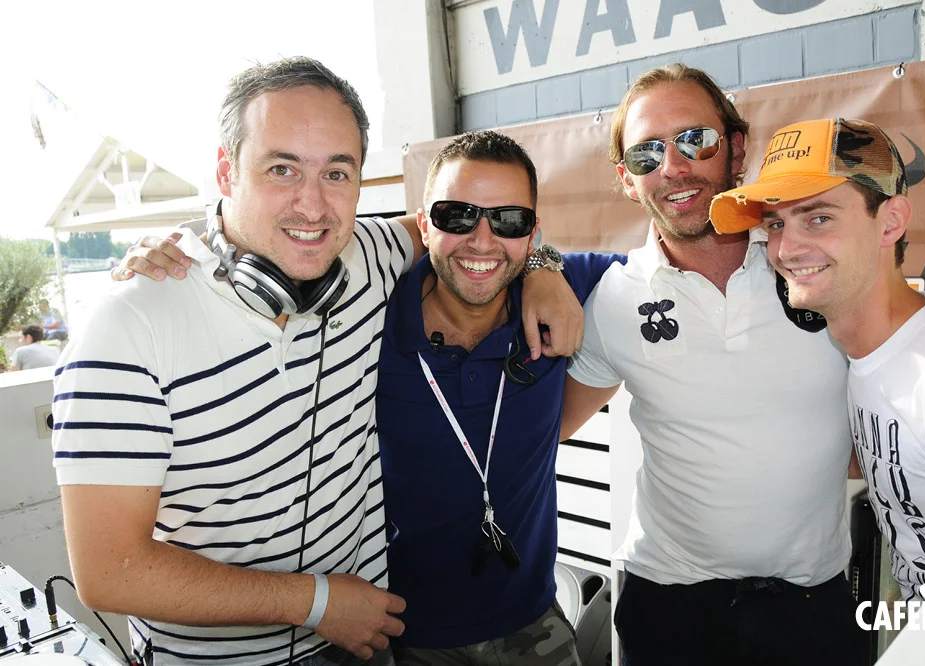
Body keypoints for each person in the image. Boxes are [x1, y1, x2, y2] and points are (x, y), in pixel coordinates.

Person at [54, 57, 578, 666]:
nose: (312, 205)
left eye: (336, 173)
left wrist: (542, 266)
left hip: (365, 643)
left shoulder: (369, 256)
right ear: (226, 172)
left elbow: (470, 237)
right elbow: (109, 571)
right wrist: (316, 602)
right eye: (282, 169)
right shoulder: (127, 326)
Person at [559, 65, 865, 665]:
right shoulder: (613, 300)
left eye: (695, 140)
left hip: (811, 604)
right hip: (667, 609)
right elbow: (544, 433)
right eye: (646, 153)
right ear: (627, 179)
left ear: (738, 149)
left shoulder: (813, 268)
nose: (673, 166)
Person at [709, 117, 925, 602]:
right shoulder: (868, 353)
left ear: (891, 221)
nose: (786, 249)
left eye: (818, 218)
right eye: (776, 224)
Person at [377, 131, 620, 665]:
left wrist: (545, 265)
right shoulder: (369, 321)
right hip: (396, 631)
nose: (482, 240)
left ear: (532, 232)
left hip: (531, 623)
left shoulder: (575, 285)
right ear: (424, 224)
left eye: (508, 220)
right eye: (457, 215)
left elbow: (673, 269)